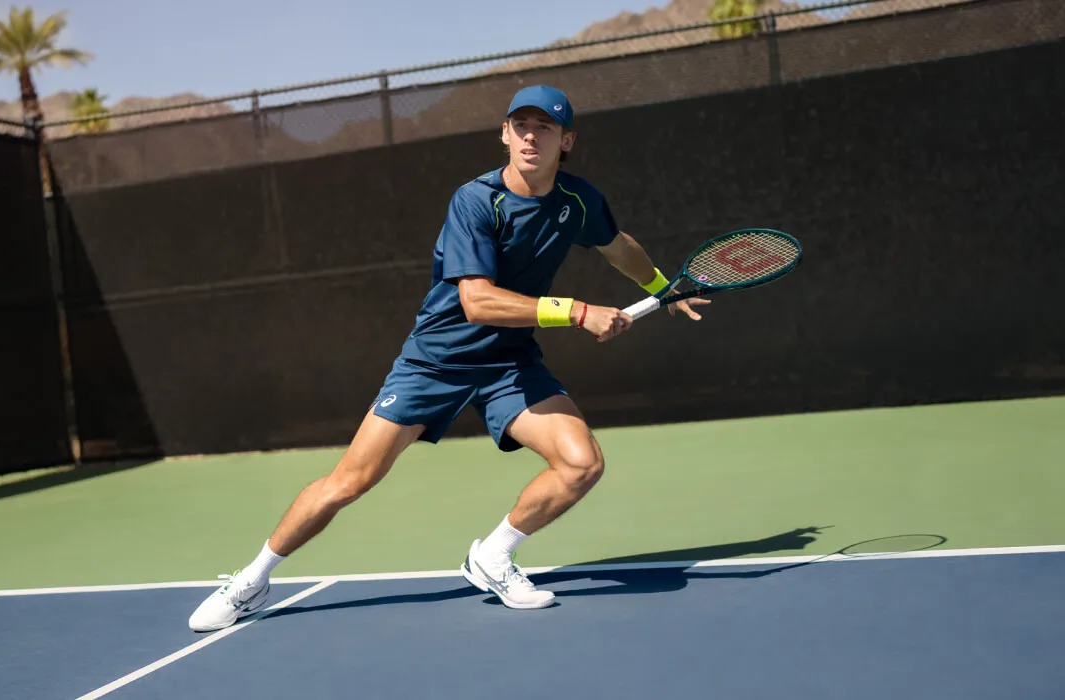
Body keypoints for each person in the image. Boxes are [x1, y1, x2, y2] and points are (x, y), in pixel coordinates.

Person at [188, 84, 709, 632]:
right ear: (504, 134)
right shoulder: (476, 201)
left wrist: (662, 286)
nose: (531, 136)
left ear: (567, 140)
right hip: (434, 363)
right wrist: (578, 311)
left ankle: (494, 555)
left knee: (582, 463)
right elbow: (476, 300)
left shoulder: (578, 201)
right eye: (521, 126)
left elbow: (617, 244)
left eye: (545, 128)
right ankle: (253, 578)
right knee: (350, 481)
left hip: (509, 364)